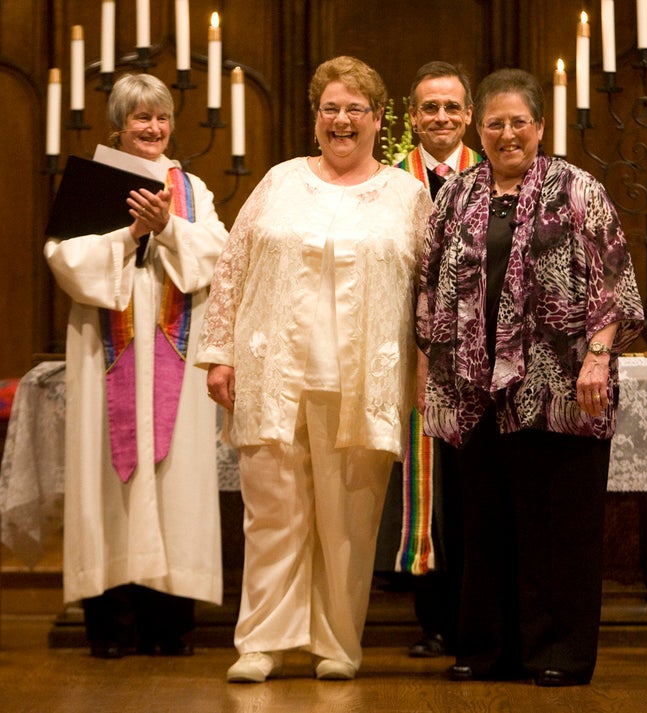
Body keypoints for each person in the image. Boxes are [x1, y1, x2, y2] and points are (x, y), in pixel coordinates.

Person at [196, 55, 433, 683]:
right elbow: (232, 268)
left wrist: (425, 370)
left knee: (348, 525)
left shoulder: (409, 196)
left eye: (356, 108)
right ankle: (262, 643)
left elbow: (432, 292)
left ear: (379, 120)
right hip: (273, 373)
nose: (342, 120)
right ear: (316, 116)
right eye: (331, 108)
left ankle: (337, 643)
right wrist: (218, 352)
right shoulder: (279, 181)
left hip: (364, 382)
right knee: (272, 515)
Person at [416, 68, 644, 686]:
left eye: (520, 122)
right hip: (474, 389)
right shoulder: (457, 196)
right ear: (478, 129)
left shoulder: (578, 190)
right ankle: (487, 649)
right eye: (495, 123)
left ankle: (558, 653)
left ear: (540, 126)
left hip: (564, 386)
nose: (507, 133)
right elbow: (428, 294)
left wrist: (597, 356)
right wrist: (429, 374)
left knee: (559, 524)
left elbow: (617, 288)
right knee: (484, 521)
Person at [44, 73, 228, 658]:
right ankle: (110, 624)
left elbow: (221, 255)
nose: (153, 129)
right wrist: (130, 234)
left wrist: (169, 225)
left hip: (176, 346)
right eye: (140, 119)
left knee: (176, 484)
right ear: (117, 128)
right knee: (106, 477)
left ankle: (167, 625)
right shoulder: (91, 183)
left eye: (162, 118)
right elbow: (64, 259)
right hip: (107, 352)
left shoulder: (192, 188)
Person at [375, 61, 481, 659]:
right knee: (425, 494)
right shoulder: (390, 185)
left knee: (472, 492)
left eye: (451, 107)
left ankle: (478, 617)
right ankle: (435, 621)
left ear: (467, 114)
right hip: (412, 357)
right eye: (429, 108)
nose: (441, 117)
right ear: (411, 117)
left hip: (479, 364)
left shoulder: (494, 178)